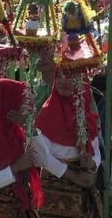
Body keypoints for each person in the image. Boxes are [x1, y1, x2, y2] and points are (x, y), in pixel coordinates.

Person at [34, 69, 102, 217]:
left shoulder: (86, 113)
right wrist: (73, 176)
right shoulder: (47, 113)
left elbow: (96, 150)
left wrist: (92, 164)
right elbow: (43, 156)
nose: (63, 81)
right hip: (55, 189)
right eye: (58, 76)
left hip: (84, 187)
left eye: (70, 77)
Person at [0, 78, 45, 217]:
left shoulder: (17, 134)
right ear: (8, 104)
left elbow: (43, 161)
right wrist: (16, 167)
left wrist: (30, 128)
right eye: (22, 102)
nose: (26, 107)